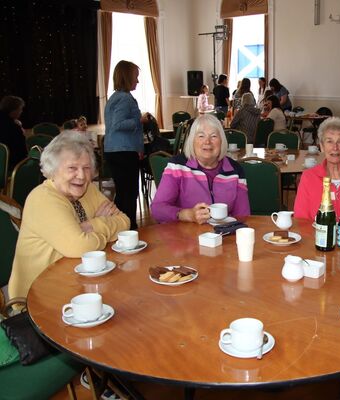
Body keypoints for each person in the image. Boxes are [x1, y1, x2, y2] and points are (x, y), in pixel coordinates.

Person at [8, 132, 129, 299]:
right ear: (53, 170)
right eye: (72, 168)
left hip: (79, 285)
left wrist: (91, 226)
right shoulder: (43, 199)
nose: (81, 176)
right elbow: (79, 246)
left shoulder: (88, 190)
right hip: (37, 298)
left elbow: (124, 221)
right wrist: (101, 226)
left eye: (86, 168)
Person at [151, 114, 250, 224]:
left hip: (224, 236)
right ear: (192, 141)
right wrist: (186, 214)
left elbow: (243, 216)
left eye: (213, 136)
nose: (207, 142)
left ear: (222, 141)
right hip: (184, 237)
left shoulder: (235, 170)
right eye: (201, 136)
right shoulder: (177, 166)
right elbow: (157, 209)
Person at [104, 60, 147, 230]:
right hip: (123, 152)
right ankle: (128, 228)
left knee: (123, 193)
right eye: (136, 77)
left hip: (115, 150)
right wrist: (139, 120)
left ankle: (121, 227)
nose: (137, 81)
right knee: (128, 193)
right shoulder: (124, 99)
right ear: (127, 77)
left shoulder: (115, 98)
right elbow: (117, 124)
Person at [0, 95, 27, 171]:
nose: (21, 112)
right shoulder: (14, 127)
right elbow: (21, 152)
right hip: (10, 165)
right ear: (13, 110)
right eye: (20, 109)